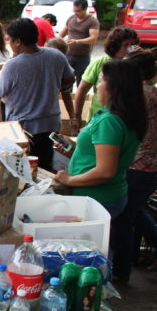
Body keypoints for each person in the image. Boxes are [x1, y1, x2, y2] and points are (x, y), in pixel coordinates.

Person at [54, 60, 146, 220]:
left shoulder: (110, 121)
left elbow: (105, 171)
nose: (97, 86)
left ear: (115, 87)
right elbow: (98, 156)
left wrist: (69, 180)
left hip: (97, 197)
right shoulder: (117, 114)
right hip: (105, 195)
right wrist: (73, 148)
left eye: (101, 80)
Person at [0, 18, 75, 170]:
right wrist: (51, 86)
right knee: (45, 166)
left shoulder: (13, 65)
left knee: (24, 170)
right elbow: (70, 78)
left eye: (10, 40)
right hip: (51, 123)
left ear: (18, 42)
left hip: (25, 129)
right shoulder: (56, 55)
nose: (9, 43)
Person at [110, 49, 157, 282]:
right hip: (150, 166)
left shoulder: (139, 95)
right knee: (135, 211)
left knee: (125, 218)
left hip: (138, 165)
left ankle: (121, 270)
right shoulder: (152, 93)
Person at [73, 26, 139, 130]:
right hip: (98, 117)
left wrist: (140, 57)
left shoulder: (135, 64)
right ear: (115, 45)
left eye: (133, 44)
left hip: (126, 119)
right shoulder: (100, 63)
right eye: (126, 45)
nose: (130, 48)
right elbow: (82, 90)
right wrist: (77, 116)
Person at [59, 0, 100, 85]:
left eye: (78, 11)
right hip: (68, 53)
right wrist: (56, 40)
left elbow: (93, 38)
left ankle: (79, 97)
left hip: (82, 56)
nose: (76, 13)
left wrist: (77, 41)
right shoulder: (71, 18)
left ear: (85, 9)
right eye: (74, 11)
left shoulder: (92, 21)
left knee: (81, 80)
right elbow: (62, 33)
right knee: (66, 79)